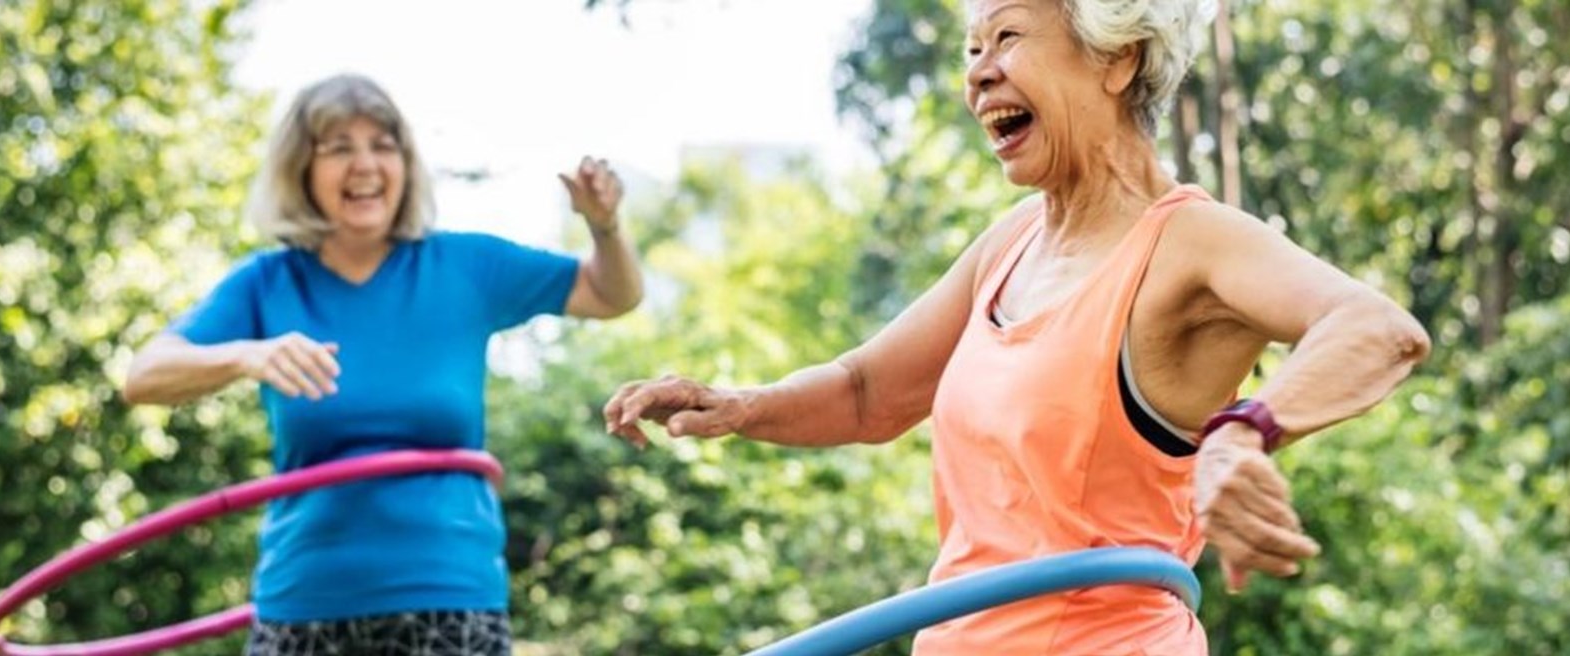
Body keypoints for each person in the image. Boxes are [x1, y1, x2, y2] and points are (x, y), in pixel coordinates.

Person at [602, 0, 1431, 653]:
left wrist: (1241, 434)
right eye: (971, 50)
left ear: (1117, 58)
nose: (978, 73)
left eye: (1006, 37)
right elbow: (867, 393)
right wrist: (739, 405)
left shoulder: (1189, 242)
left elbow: (1376, 327)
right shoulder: (1010, 245)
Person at [120, 73, 642, 656]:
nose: (364, 164)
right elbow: (143, 377)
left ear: (405, 163)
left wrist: (605, 226)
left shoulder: (464, 265)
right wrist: (246, 353)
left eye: (382, 145)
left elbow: (611, 294)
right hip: (304, 600)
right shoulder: (267, 282)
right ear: (302, 169)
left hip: (449, 598)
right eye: (338, 147)